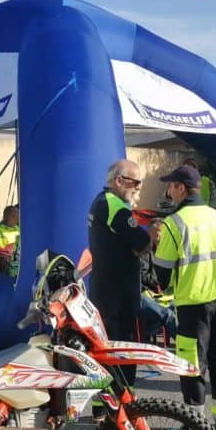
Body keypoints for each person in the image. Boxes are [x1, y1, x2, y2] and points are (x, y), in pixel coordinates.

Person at [154, 164, 216, 430]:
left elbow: (163, 274)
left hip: (193, 306)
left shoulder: (174, 223)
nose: (168, 190)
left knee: (192, 367)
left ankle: (193, 429)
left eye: (170, 186)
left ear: (180, 188)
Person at [87, 159, 151, 385]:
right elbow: (143, 243)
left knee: (104, 350)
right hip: (120, 295)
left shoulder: (99, 201)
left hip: (102, 289)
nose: (138, 189)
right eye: (136, 183)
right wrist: (153, 232)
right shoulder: (115, 205)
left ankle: (102, 408)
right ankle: (125, 408)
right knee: (124, 350)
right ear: (118, 180)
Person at [0, 204, 21, 276]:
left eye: (17, 216)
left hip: (20, 258)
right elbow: (0, 252)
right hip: (7, 263)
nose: (16, 218)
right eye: (13, 216)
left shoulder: (17, 228)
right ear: (6, 217)